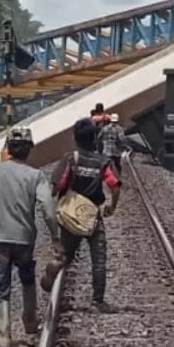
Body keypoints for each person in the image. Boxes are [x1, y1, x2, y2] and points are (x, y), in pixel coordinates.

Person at [0, 127, 59, 347]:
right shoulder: (35, 176)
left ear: (7, 149)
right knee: (27, 278)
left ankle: (3, 339)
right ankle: (30, 322)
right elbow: (48, 209)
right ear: (29, 150)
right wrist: (56, 237)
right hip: (24, 238)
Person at [51, 118, 122, 313]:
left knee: (65, 255)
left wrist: (59, 199)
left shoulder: (70, 159)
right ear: (94, 138)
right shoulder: (102, 161)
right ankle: (98, 300)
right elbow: (115, 185)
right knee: (99, 259)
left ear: (75, 138)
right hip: (92, 216)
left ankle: (56, 293)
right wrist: (112, 207)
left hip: (70, 215)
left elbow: (57, 185)